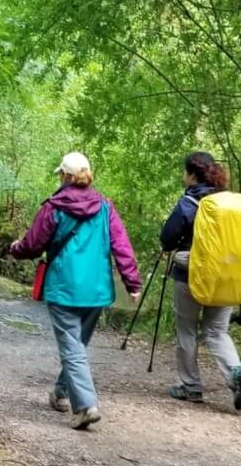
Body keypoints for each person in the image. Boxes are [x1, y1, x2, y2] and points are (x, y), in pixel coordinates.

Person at [10, 152, 142, 430]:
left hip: (64, 287)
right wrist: (132, 283)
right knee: (77, 346)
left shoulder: (54, 207)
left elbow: (33, 244)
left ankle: (85, 406)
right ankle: (60, 392)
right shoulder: (105, 207)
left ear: (65, 177)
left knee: (72, 347)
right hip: (97, 291)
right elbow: (121, 246)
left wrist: (15, 249)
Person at [160, 151, 241, 410]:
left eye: (184, 171)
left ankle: (191, 387)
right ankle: (236, 373)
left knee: (187, 330)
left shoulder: (189, 203)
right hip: (226, 276)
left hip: (190, 275)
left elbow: (167, 239)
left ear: (191, 174)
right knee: (216, 331)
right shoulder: (228, 204)